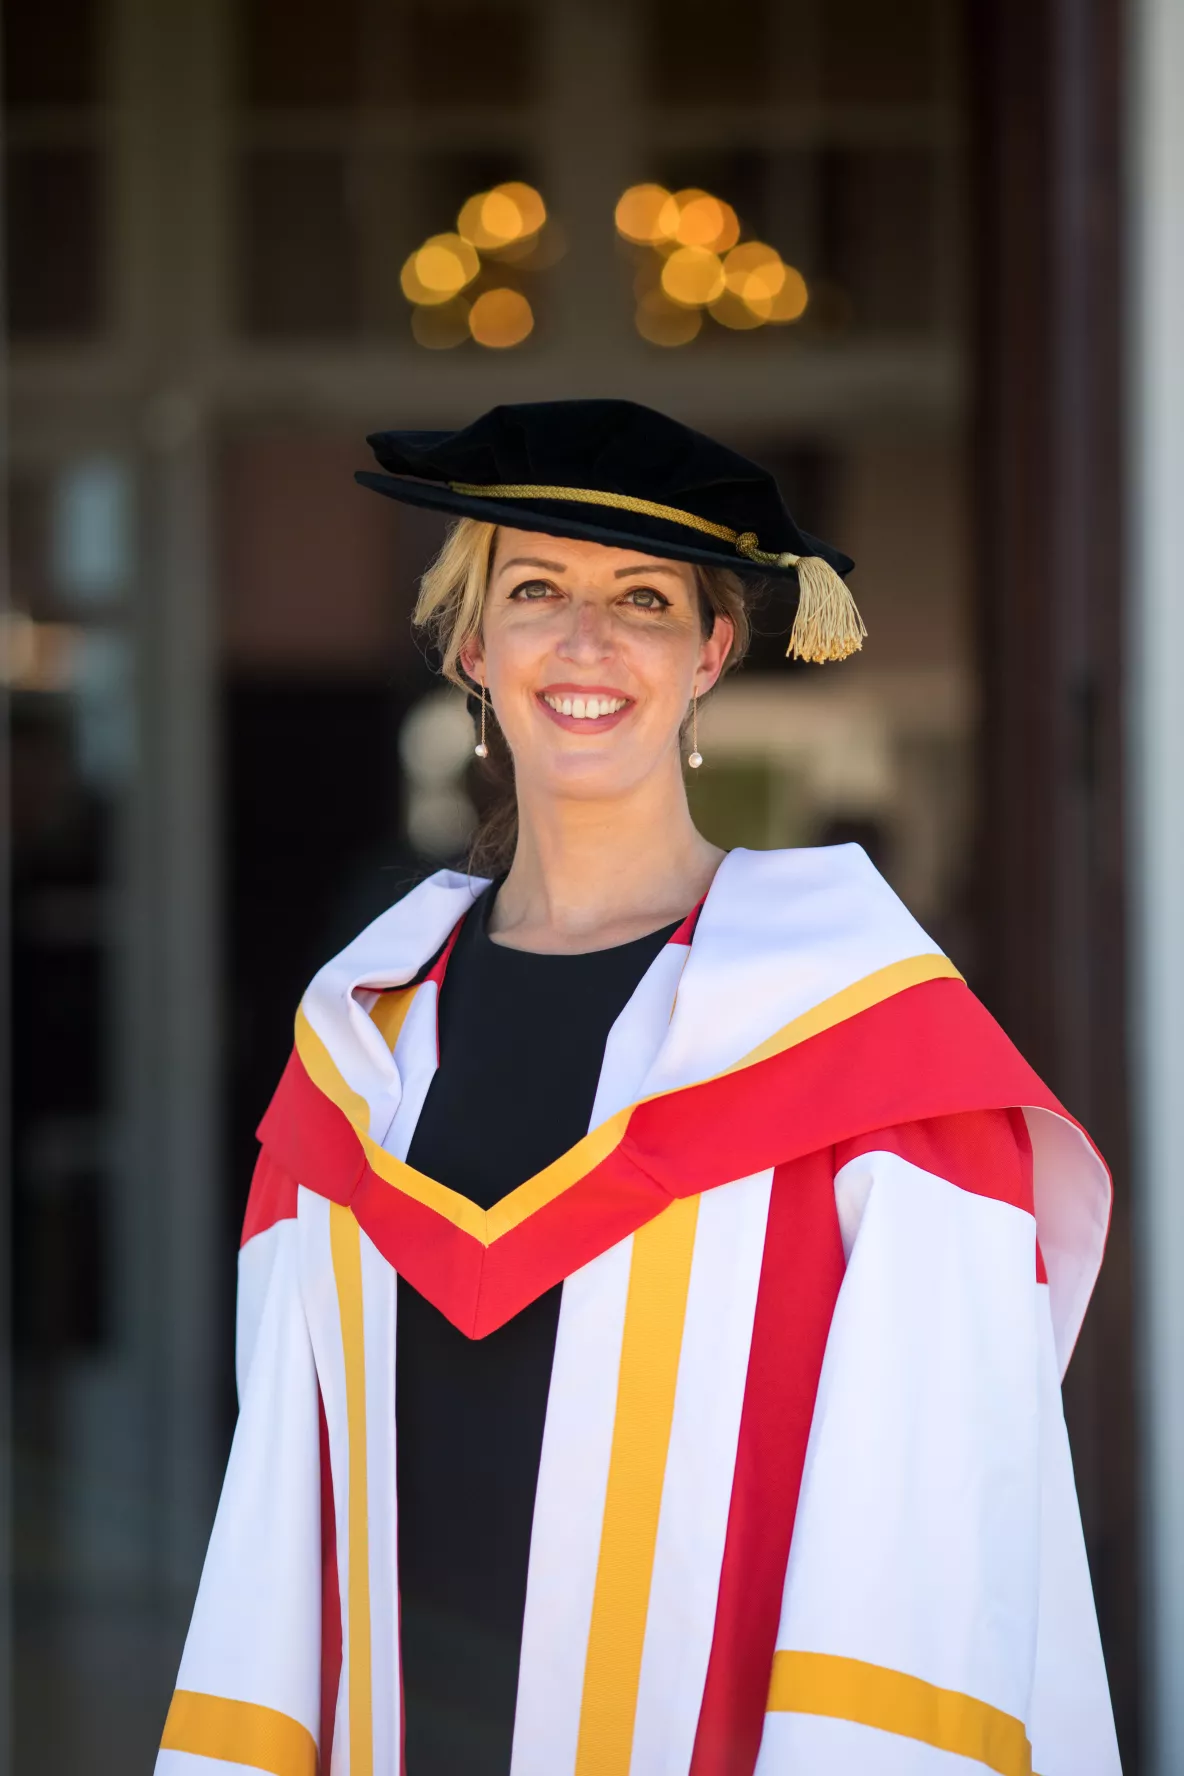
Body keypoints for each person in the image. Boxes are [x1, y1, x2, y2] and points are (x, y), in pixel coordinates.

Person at [157, 401, 1119, 1776]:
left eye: (646, 600)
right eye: (537, 591)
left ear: (713, 650)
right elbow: (282, 1517)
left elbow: (934, 1532)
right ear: (474, 644)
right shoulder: (357, 1056)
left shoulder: (871, 1054)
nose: (588, 643)